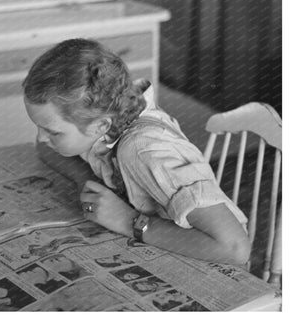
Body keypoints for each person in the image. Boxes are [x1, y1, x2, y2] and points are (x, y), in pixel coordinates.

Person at [22, 38, 250, 265]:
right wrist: (86, 179)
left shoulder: (145, 152)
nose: (42, 137)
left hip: (208, 261)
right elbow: (43, 146)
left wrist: (125, 220)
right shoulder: (104, 113)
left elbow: (235, 249)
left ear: (101, 126)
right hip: (157, 249)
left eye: (52, 132)